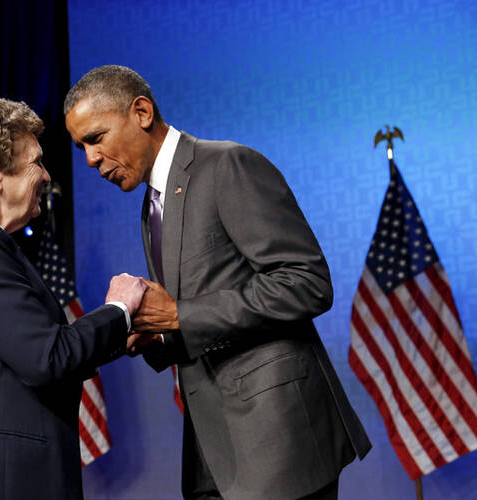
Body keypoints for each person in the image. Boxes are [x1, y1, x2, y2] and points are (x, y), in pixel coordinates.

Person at [64, 66, 372, 500]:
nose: (91, 160)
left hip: (279, 445)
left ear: (142, 112)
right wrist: (163, 336)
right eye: (82, 148)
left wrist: (179, 316)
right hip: (215, 448)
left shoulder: (227, 165)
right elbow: (202, 310)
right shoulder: (152, 203)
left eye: (96, 138)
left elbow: (307, 282)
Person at [0, 97, 146, 500]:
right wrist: (120, 308)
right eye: (36, 162)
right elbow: (47, 356)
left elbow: (25, 351)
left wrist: (121, 335)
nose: (47, 175)